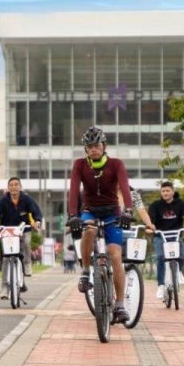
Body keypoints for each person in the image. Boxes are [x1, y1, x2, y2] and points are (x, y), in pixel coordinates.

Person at [67, 126, 133, 324]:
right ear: (85, 149)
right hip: (90, 210)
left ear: (104, 146)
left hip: (113, 212)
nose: (93, 149)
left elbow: (124, 187)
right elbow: (73, 190)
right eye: (89, 147)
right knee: (89, 230)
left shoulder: (116, 164)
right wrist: (73, 215)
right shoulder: (80, 165)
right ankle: (86, 271)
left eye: (96, 146)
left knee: (115, 255)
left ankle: (119, 305)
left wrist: (128, 211)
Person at [0, 177, 43, 299]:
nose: (14, 187)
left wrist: (37, 221)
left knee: (26, 243)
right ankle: (4, 288)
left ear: (20, 187)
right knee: (6, 259)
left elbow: (37, 212)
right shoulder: (3, 201)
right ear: (8, 188)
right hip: (7, 231)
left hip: (23, 230)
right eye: (11, 185)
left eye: (16, 184)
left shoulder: (27, 199)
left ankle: (27, 264)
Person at [148, 181, 184, 300]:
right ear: (161, 192)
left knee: (182, 255)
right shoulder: (155, 205)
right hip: (160, 235)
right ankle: (160, 285)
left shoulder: (180, 204)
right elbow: (150, 219)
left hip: (176, 235)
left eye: (168, 191)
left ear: (173, 192)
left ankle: (178, 271)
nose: (165, 193)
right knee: (160, 258)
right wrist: (149, 227)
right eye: (163, 191)